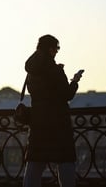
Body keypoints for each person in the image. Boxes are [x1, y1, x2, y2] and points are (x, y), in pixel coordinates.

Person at [23, 34, 83, 187]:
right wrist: (74, 82)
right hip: (58, 122)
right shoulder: (55, 70)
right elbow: (67, 95)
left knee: (35, 162)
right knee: (65, 160)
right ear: (50, 49)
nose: (57, 51)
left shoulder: (31, 71)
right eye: (57, 48)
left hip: (38, 122)